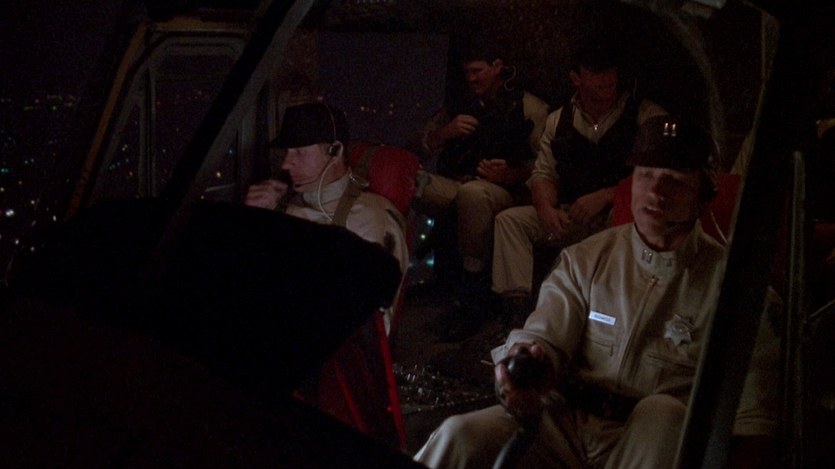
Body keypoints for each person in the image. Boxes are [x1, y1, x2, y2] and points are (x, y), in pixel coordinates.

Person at [414, 116, 779, 468]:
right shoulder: (587, 259)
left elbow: (753, 425)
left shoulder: (737, 291)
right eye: (645, 175)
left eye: (675, 181)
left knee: (663, 413)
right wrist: (526, 361)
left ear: (703, 197)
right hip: (566, 426)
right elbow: (546, 337)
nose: (655, 192)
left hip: (651, 446)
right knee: (460, 435)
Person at [491, 37, 667, 327]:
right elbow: (543, 173)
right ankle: (516, 314)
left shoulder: (644, 115)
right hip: (574, 214)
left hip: (619, 218)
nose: (607, 79)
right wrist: (545, 208)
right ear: (576, 77)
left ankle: (607, 318)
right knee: (510, 221)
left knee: (621, 218)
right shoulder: (558, 119)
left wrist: (609, 194)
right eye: (597, 72)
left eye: (610, 70)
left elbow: (662, 174)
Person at [414, 41, 549, 341]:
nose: (471, 79)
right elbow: (421, 143)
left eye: (477, 71)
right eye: (467, 72)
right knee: (409, 181)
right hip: (459, 184)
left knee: (474, 195)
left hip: (504, 192)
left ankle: (472, 295)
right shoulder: (460, 103)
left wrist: (511, 174)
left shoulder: (528, 107)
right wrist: (445, 132)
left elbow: (546, 165)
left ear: (497, 67)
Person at [245, 102, 409, 331]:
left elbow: (371, 326)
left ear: (336, 151)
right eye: (286, 152)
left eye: (299, 152)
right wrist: (254, 223)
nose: (286, 163)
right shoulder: (280, 204)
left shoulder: (373, 220)